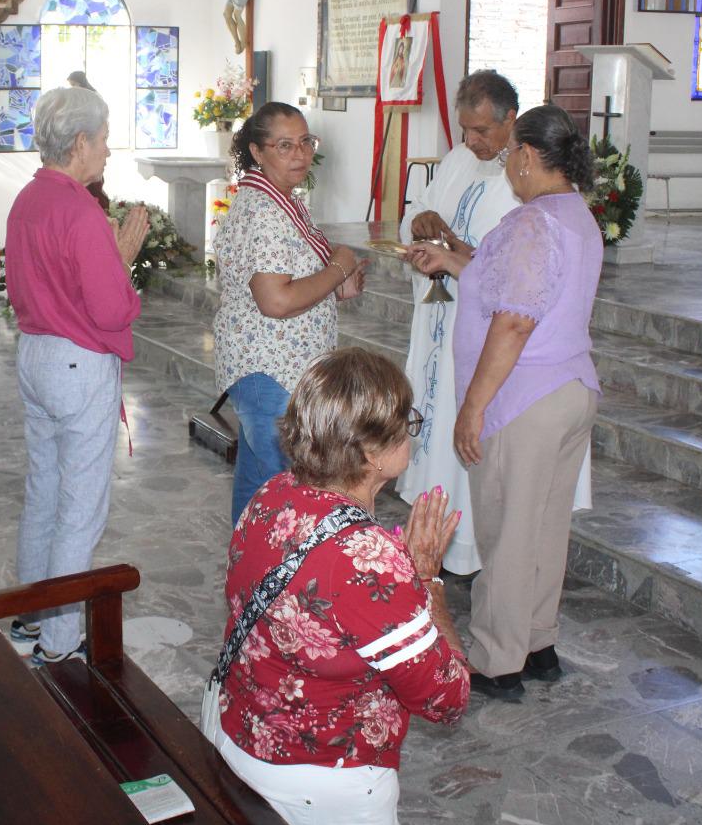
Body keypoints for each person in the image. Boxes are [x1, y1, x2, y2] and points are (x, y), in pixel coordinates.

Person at [212, 347, 469, 825]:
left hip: (237, 727)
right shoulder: (367, 559)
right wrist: (428, 583)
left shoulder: (274, 494)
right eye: (406, 420)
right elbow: (447, 699)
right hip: (318, 779)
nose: (411, 430)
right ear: (373, 453)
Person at [409, 104, 603, 699]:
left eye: (508, 153)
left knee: (510, 532)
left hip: (523, 398)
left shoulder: (531, 223)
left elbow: (514, 320)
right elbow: (512, 283)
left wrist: (472, 407)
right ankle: (538, 642)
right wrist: (453, 261)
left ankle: (497, 660)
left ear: (525, 154)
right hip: (570, 390)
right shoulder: (575, 216)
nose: (504, 166)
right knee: (544, 526)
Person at [399, 70, 590, 575]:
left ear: (513, 123)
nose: (471, 141)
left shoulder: (531, 188)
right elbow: (486, 260)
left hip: (506, 368)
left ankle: (487, 584)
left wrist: (475, 405)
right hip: (456, 335)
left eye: (482, 131)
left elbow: (517, 299)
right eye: (465, 129)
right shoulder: (464, 161)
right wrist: (427, 232)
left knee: (506, 509)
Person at [5, 86, 146, 664]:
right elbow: (112, 310)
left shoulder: (28, 199)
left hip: (36, 354)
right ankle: (60, 643)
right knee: (80, 508)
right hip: (76, 364)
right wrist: (123, 262)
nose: (109, 151)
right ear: (81, 141)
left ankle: (29, 617)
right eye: (106, 138)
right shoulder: (81, 212)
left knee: (43, 493)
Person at [213, 102, 365, 525]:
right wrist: (338, 267)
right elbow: (275, 301)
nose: (299, 154)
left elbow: (293, 279)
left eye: (305, 142)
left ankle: (249, 578)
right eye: (284, 145)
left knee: (258, 483)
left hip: (273, 366)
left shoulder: (281, 199)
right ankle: (277, 585)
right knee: (286, 492)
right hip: (272, 370)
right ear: (258, 152)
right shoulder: (265, 210)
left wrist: (335, 282)